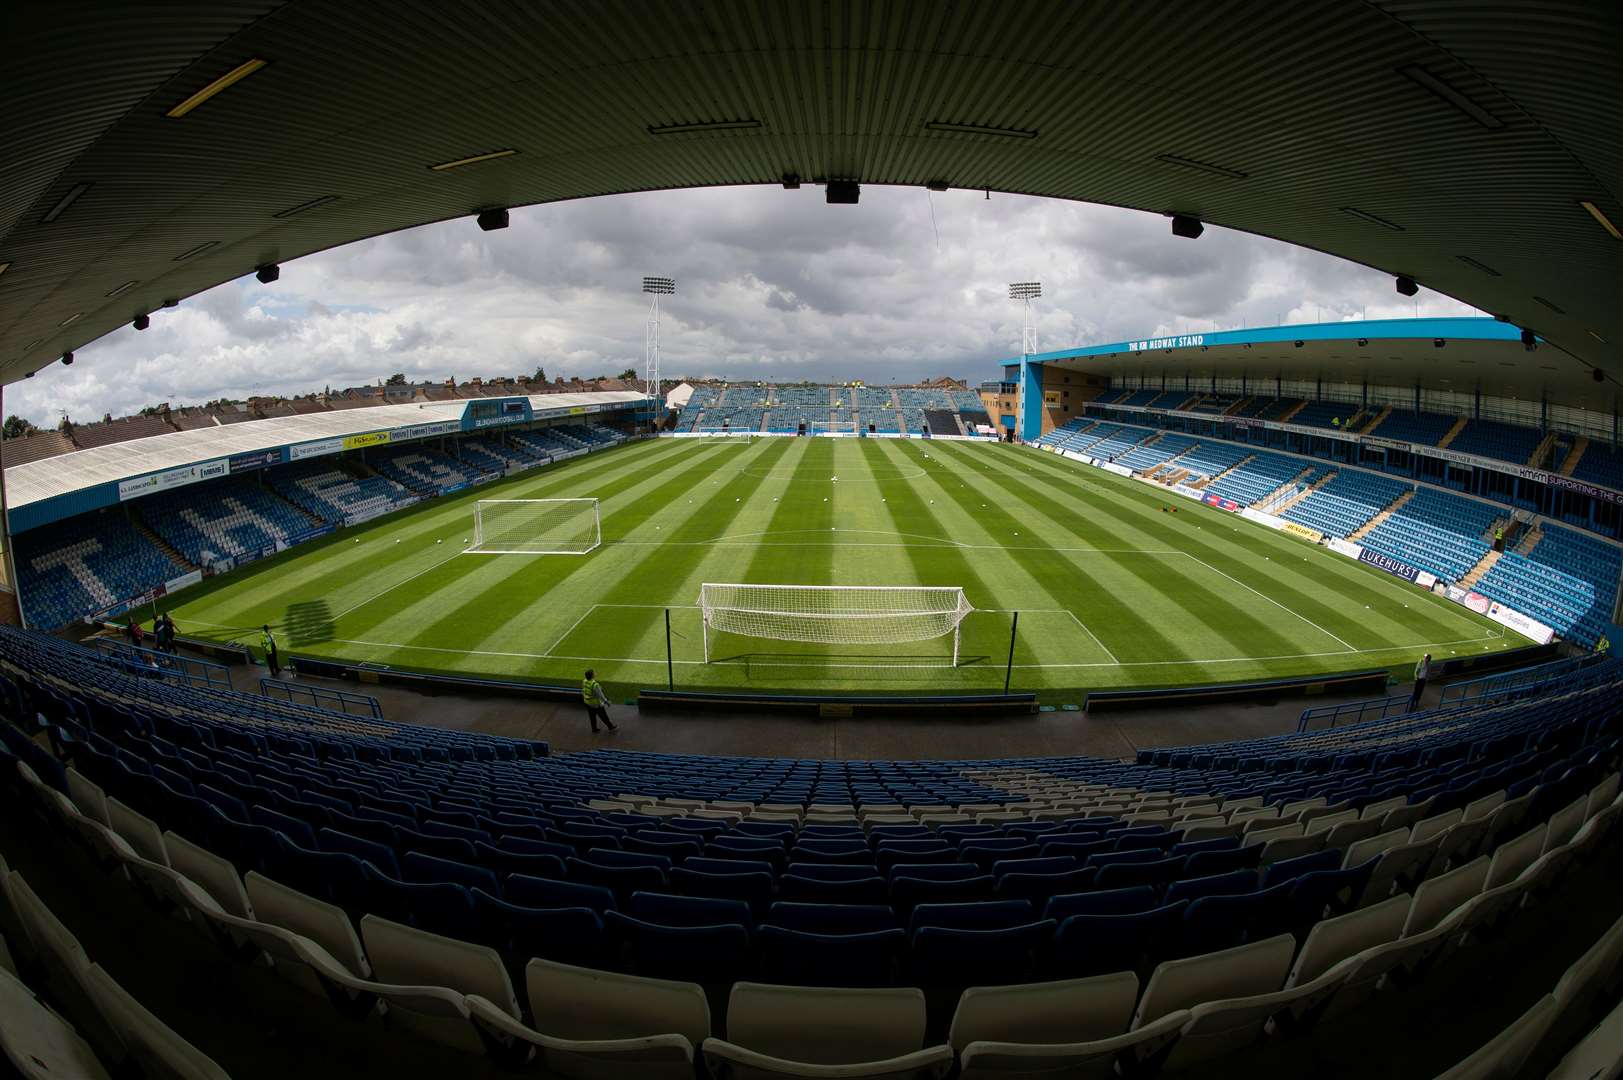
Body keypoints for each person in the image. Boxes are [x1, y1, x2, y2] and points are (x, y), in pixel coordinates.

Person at [581, 668, 617, 733]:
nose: (595, 673)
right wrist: (607, 702)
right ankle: (610, 727)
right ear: (592, 675)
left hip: (587, 702)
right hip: (595, 704)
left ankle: (594, 729)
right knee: (603, 716)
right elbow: (601, 696)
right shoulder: (595, 685)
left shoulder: (585, 681)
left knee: (592, 717)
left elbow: (585, 690)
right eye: (593, 673)